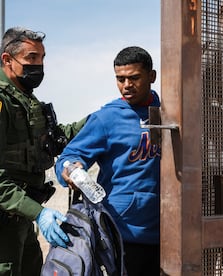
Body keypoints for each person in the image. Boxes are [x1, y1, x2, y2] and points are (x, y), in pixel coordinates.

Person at [55, 46, 161, 275]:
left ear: (152, 76)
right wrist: (71, 169)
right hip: (124, 235)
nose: (126, 85)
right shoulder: (106, 118)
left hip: (170, 233)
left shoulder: (170, 114)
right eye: (120, 79)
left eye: (134, 78)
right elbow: (68, 157)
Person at [0, 27, 85, 276]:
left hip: (23, 218)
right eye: (31, 58)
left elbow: (54, 139)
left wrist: (98, 120)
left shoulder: (25, 99)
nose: (39, 65)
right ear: (7, 59)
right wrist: (39, 213)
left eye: (42, 58)